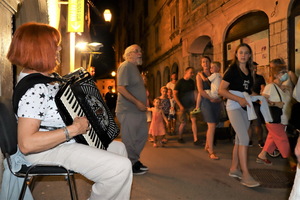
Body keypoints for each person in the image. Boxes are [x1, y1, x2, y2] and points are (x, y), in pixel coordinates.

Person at [6, 22, 132, 199]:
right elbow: (27, 144)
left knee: (118, 148)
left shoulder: (44, 79)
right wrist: (74, 130)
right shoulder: (35, 89)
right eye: (54, 45)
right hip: (45, 151)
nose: (59, 49)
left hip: (59, 143)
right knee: (119, 168)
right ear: (40, 49)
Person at [219, 43, 260, 187]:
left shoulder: (249, 70)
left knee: (238, 139)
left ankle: (234, 169)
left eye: (246, 53)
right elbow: (221, 90)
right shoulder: (232, 70)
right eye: (240, 52)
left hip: (245, 107)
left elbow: (248, 92)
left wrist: (262, 98)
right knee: (244, 138)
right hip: (234, 106)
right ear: (236, 54)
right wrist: (239, 99)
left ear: (249, 55)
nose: (243, 55)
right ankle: (246, 175)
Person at [116, 44, 149, 175]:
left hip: (138, 111)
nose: (140, 53)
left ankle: (134, 160)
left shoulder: (134, 68)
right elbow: (120, 88)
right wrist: (137, 102)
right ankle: (130, 164)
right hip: (128, 110)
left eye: (140, 51)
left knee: (141, 136)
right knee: (130, 139)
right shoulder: (126, 66)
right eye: (136, 51)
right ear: (129, 54)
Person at [256, 63, 292, 166]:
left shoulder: (283, 88)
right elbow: (262, 101)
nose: (285, 74)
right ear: (276, 75)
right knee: (282, 139)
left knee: (272, 137)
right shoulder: (270, 86)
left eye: (286, 72)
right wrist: (275, 103)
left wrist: (288, 91)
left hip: (283, 119)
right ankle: (292, 162)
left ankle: (262, 156)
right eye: (282, 72)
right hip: (274, 118)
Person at [196, 56, 222, 160]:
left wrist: (220, 98)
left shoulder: (214, 74)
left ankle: (207, 145)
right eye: (203, 62)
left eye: (207, 61)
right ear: (201, 64)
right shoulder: (200, 76)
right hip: (207, 101)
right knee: (211, 125)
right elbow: (201, 91)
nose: (205, 63)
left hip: (215, 100)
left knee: (213, 125)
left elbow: (221, 87)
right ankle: (211, 151)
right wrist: (211, 99)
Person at [173, 67, 199, 145]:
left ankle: (196, 139)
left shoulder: (192, 82)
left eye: (193, 72)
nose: (192, 74)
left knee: (194, 120)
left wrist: (196, 103)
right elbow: (175, 94)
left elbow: (194, 92)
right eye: (191, 72)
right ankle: (180, 137)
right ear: (186, 72)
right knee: (183, 122)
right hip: (182, 104)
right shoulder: (180, 82)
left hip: (191, 105)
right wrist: (180, 105)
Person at [248, 61, 266, 148]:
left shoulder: (260, 78)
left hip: (256, 103)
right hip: (247, 103)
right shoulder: (246, 78)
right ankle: (249, 140)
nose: (255, 69)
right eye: (253, 67)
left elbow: (263, 88)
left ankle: (260, 141)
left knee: (258, 123)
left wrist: (262, 96)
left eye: (256, 68)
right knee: (248, 124)